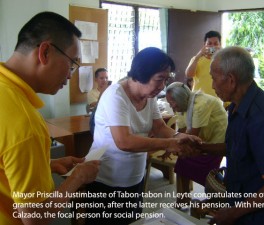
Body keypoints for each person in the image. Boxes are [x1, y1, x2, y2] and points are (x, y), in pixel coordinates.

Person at [0, 12, 100, 225]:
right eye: (72, 63)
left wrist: (47, 164)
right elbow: (34, 218)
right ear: (45, 52)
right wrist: (77, 179)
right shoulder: (24, 121)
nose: (70, 75)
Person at [85, 47, 201, 225]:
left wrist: (179, 137)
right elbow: (124, 141)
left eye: (166, 79)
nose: (162, 86)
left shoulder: (149, 96)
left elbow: (159, 126)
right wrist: (168, 144)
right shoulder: (115, 96)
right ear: (141, 74)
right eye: (159, 79)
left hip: (134, 177)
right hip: (107, 180)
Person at [191, 46, 264, 225]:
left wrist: (232, 214)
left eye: (214, 78)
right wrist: (200, 147)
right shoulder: (237, 106)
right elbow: (236, 147)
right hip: (244, 204)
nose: (212, 85)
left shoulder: (263, 118)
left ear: (231, 80)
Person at [165, 82, 227, 206]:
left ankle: (216, 201)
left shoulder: (200, 104)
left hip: (215, 144)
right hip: (201, 141)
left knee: (209, 176)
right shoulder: (182, 106)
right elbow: (182, 132)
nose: (171, 105)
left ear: (181, 98)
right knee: (182, 161)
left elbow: (193, 137)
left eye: (172, 102)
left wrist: (174, 147)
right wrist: (171, 145)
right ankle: (184, 198)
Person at [185, 30, 221, 96]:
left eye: (216, 44)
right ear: (204, 45)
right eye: (209, 44)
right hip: (198, 98)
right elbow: (189, 75)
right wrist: (198, 56)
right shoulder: (196, 59)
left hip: (217, 99)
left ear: (220, 45)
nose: (212, 47)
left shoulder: (223, 60)